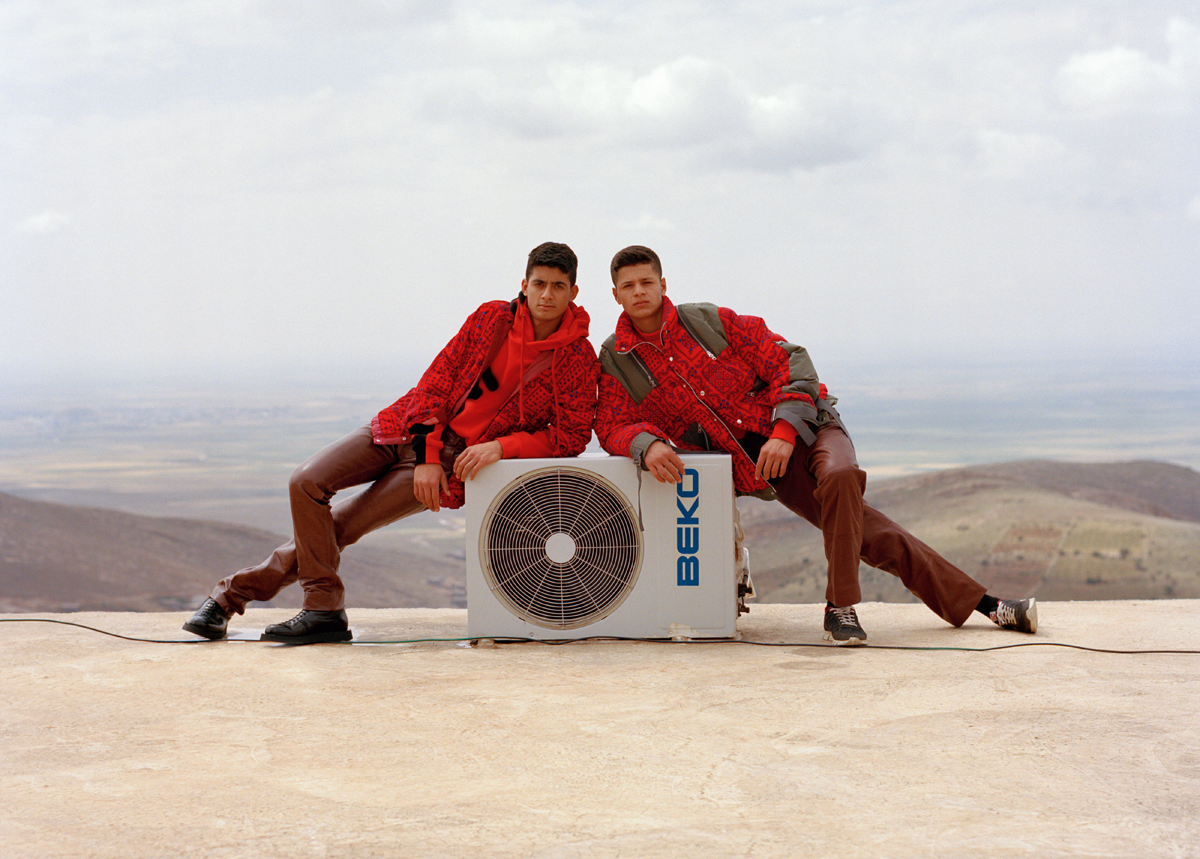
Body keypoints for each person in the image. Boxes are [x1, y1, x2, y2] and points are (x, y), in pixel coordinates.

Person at [593, 245, 1037, 645]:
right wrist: (646, 443)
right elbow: (612, 422)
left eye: (647, 282)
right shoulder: (617, 358)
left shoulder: (710, 321)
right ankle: (989, 606)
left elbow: (790, 359)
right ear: (616, 294)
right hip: (761, 465)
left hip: (809, 426)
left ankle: (839, 607)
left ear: (663, 284)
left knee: (843, 476)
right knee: (874, 535)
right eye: (628, 286)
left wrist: (784, 431)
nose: (639, 291)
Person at [184, 242, 598, 643]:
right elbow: (437, 380)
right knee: (305, 481)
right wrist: (427, 453)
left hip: (454, 467)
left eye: (558, 286)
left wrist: (502, 448)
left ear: (573, 292)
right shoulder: (491, 319)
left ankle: (249, 602)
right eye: (539, 283)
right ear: (524, 284)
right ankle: (317, 608)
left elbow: (572, 435)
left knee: (343, 527)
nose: (547, 294)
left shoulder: (578, 358)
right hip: (406, 428)